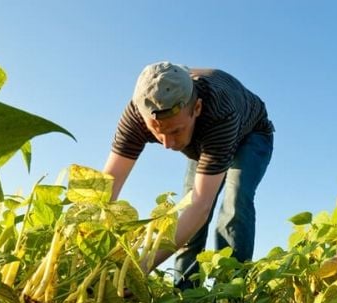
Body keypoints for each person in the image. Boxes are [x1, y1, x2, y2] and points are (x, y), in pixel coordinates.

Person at [103, 62, 274, 288]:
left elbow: (200, 205)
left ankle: (230, 292)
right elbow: (107, 187)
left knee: (235, 199)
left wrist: (139, 267)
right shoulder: (136, 114)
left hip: (250, 134)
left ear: (197, 108)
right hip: (201, 141)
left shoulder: (220, 112)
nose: (168, 144)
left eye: (176, 131)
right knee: (186, 213)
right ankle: (184, 293)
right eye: (157, 132)